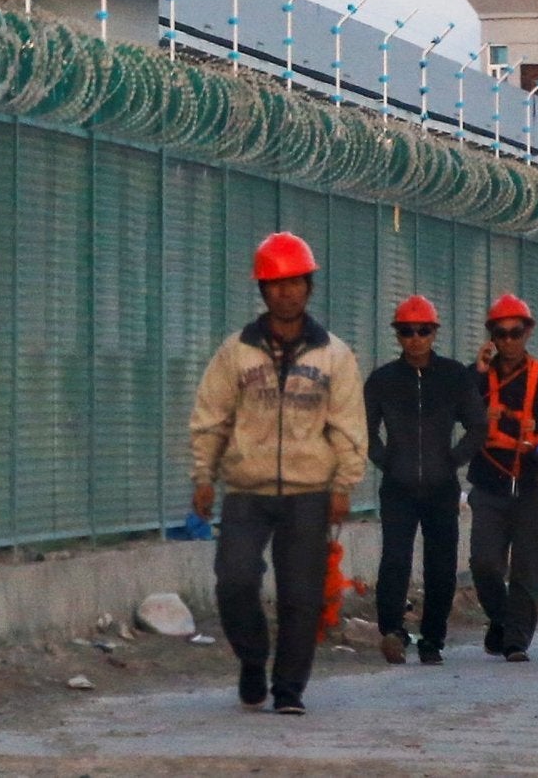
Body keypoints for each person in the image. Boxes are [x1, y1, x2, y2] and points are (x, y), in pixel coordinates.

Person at [189, 231, 368, 716]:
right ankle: (252, 659)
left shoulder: (334, 355)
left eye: (295, 283)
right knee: (235, 580)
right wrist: (203, 476)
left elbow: (348, 425)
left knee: (301, 595)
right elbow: (211, 416)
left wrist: (343, 484)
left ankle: (289, 688)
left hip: (310, 491)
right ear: (262, 291)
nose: (286, 293)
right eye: (275, 284)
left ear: (309, 287)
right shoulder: (236, 353)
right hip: (247, 489)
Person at [362, 294, 484, 664]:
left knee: (441, 564)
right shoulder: (383, 380)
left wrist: (453, 460)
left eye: (423, 331)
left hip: (441, 487)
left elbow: (477, 424)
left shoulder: (453, 377)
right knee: (395, 560)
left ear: (434, 333)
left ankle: (433, 639)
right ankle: (393, 632)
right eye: (407, 331)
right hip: (398, 488)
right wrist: (388, 463)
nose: (415, 338)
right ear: (397, 335)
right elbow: (364, 431)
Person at [467, 293, 538, 662]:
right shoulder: (478, 377)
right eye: (501, 334)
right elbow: (457, 408)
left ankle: (515, 641)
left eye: (516, 332)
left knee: (528, 568)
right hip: (489, 487)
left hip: (532, 487)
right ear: (491, 336)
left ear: (528, 332)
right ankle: (503, 619)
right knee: (485, 563)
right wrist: (477, 372)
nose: (509, 341)